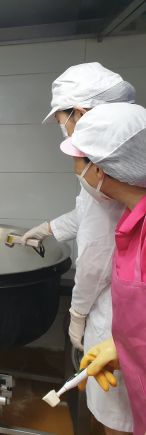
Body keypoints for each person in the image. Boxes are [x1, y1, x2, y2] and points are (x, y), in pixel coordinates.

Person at [21, 63, 135, 434]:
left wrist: (78, 314)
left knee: (119, 417)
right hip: (124, 324)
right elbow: (86, 216)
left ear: (80, 114)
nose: (65, 128)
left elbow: (94, 258)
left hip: (114, 314)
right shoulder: (118, 163)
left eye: (62, 120)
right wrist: (48, 229)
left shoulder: (109, 167)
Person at [67, 102, 146, 434]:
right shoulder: (132, 218)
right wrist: (121, 348)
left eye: (78, 162)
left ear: (98, 170)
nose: (76, 170)